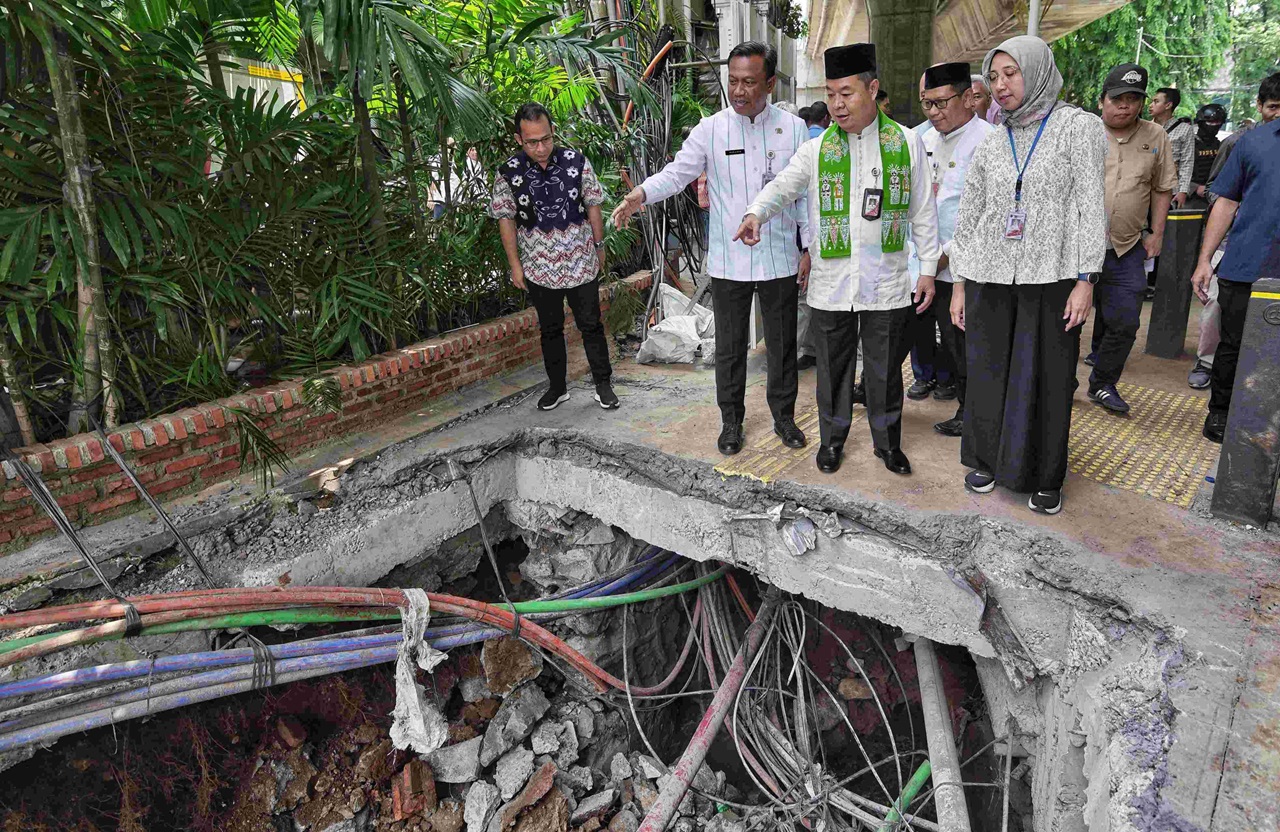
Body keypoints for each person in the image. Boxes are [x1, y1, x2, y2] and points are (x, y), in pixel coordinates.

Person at [736, 43, 941, 477]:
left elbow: (923, 211)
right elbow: (783, 186)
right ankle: (832, 441)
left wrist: (926, 270)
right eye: (831, 93)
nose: (837, 103)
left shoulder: (906, 144)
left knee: (885, 371)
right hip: (832, 284)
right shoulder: (816, 151)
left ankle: (888, 445)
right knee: (832, 371)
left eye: (846, 92)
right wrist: (756, 212)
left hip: (887, 282)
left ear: (873, 88)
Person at [611, 42, 812, 456]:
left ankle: (783, 417)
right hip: (728, 261)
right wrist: (641, 195)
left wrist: (807, 247)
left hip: (779, 258)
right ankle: (731, 422)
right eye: (733, 81)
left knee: (782, 344)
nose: (738, 91)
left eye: (749, 83)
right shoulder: (712, 128)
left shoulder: (792, 130)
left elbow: (804, 195)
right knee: (731, 347)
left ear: (770, 83)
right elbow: (677, 173)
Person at [949, 36, 1107, 515]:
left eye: (1011, 74)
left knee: (1047, 377)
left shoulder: (1078, 128)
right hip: (990, 275)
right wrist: (959, 282)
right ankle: (989, 461)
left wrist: (1086, 279)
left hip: (1053, 275)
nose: (1000, 86)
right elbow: (970, 214)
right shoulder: (992, 140)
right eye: (994, 77)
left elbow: (1089, 205)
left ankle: (1043, 474)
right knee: (989, 372)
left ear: (1036, 72)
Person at [491, 103, 618, 411]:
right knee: (550, 329)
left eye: (546, 139)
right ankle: (558, 388)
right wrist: (515, 266)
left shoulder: (576, 161)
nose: (541, 147)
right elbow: (505, 219)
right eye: (532, 141)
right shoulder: (508, 173)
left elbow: (593, 204)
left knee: (591, 325)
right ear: (519, 139)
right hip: (538, 268)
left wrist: (599, 247)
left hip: (581, 262)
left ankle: (603, 385)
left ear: (553, 133)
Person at [1191, 72, 1280, 443]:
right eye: (1274, 107)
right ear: (1260, 108)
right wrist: (1204, 260)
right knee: (1233, 344)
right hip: (1248, 265)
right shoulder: (1251, 144)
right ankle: (1221, 413)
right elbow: (1225, 202)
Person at [908, 62, 995, 438]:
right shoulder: (921, 140)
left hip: (962, 267)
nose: (934, 113)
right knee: (911, 328)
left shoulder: (990, 142)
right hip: (921, 261)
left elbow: (984, 215)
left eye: (941, 104)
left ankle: (969, 408)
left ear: (969, 98)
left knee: (962, 342)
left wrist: (944, 257)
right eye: (927, 104)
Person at [1082, 64, 1175, 415]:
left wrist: (1157, 234)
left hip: (1126, 247)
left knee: (1124, 322)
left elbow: (1162, 188)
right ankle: (1060, 383)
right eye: (1117, 99)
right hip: (1078, 248)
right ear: (1102, 100)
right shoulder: (1084, 132)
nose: (1125, 106)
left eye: (1133, 99)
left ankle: (1103, 383)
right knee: (1064, 321)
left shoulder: (1156, 136)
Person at [1186, 95, 1273, 389]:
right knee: (1215, 303)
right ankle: (1206, 362)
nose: (1277, 114)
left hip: (1271, 253)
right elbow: (1217, 192)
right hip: (1233, 241)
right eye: (1273, 107)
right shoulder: (1241, 143)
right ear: (1260, 106)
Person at [1149, 87, 1194, 207]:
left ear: (1168, 105)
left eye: (1156, 101)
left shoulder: (1185, 129)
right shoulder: (1145, 128)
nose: (1150, 105)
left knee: (1164, 224)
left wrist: (1183, 191)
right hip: (1145, 187)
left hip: (1171, 190)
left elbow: (1187, 162)